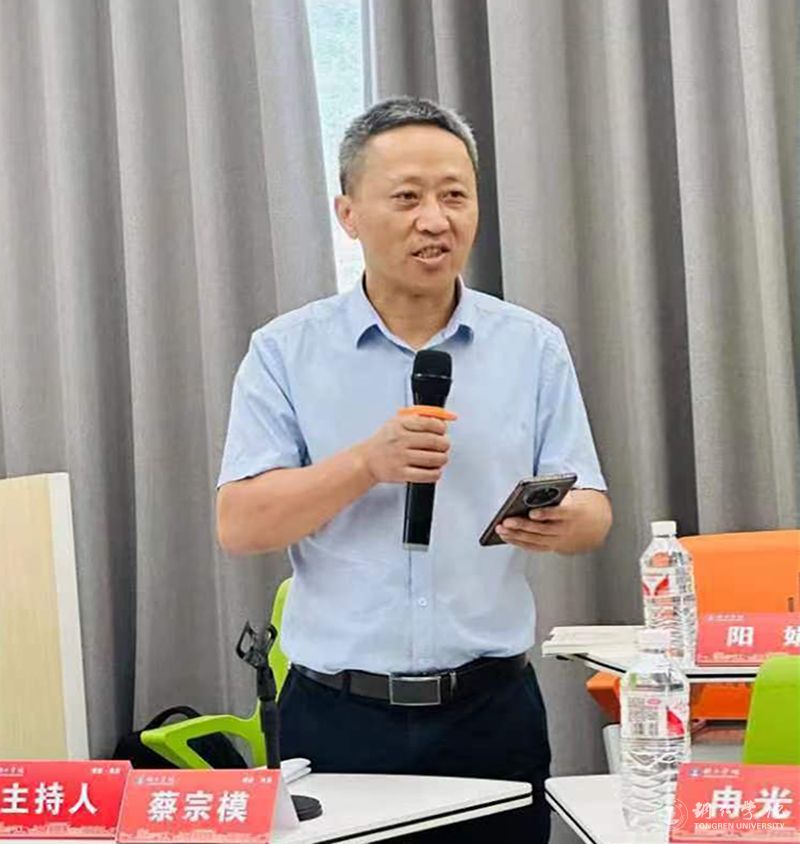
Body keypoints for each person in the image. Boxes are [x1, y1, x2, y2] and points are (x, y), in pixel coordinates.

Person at [216, 96, 612, 843]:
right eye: (406, 198)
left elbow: (594, 512)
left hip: (490, 713)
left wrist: (561, 520)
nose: (435, 220)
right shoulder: (284, 351)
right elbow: (240, 524)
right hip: (336, 718)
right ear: (348, 214)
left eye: (455, 196)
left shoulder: (531, 346)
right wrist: (366, 464)